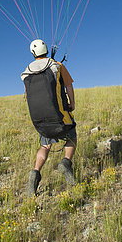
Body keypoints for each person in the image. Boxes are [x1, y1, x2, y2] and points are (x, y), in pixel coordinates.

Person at [21, 39, 77, 197]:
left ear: (33, 53)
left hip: (41, 119)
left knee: (45, 146)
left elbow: (28, 95)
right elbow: (69, 86)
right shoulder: (57, 65)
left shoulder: (26, 72)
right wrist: (72, 103)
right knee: (72, 136)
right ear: (46, 49)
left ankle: (35, 173)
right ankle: (66, 163)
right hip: (59, 116)